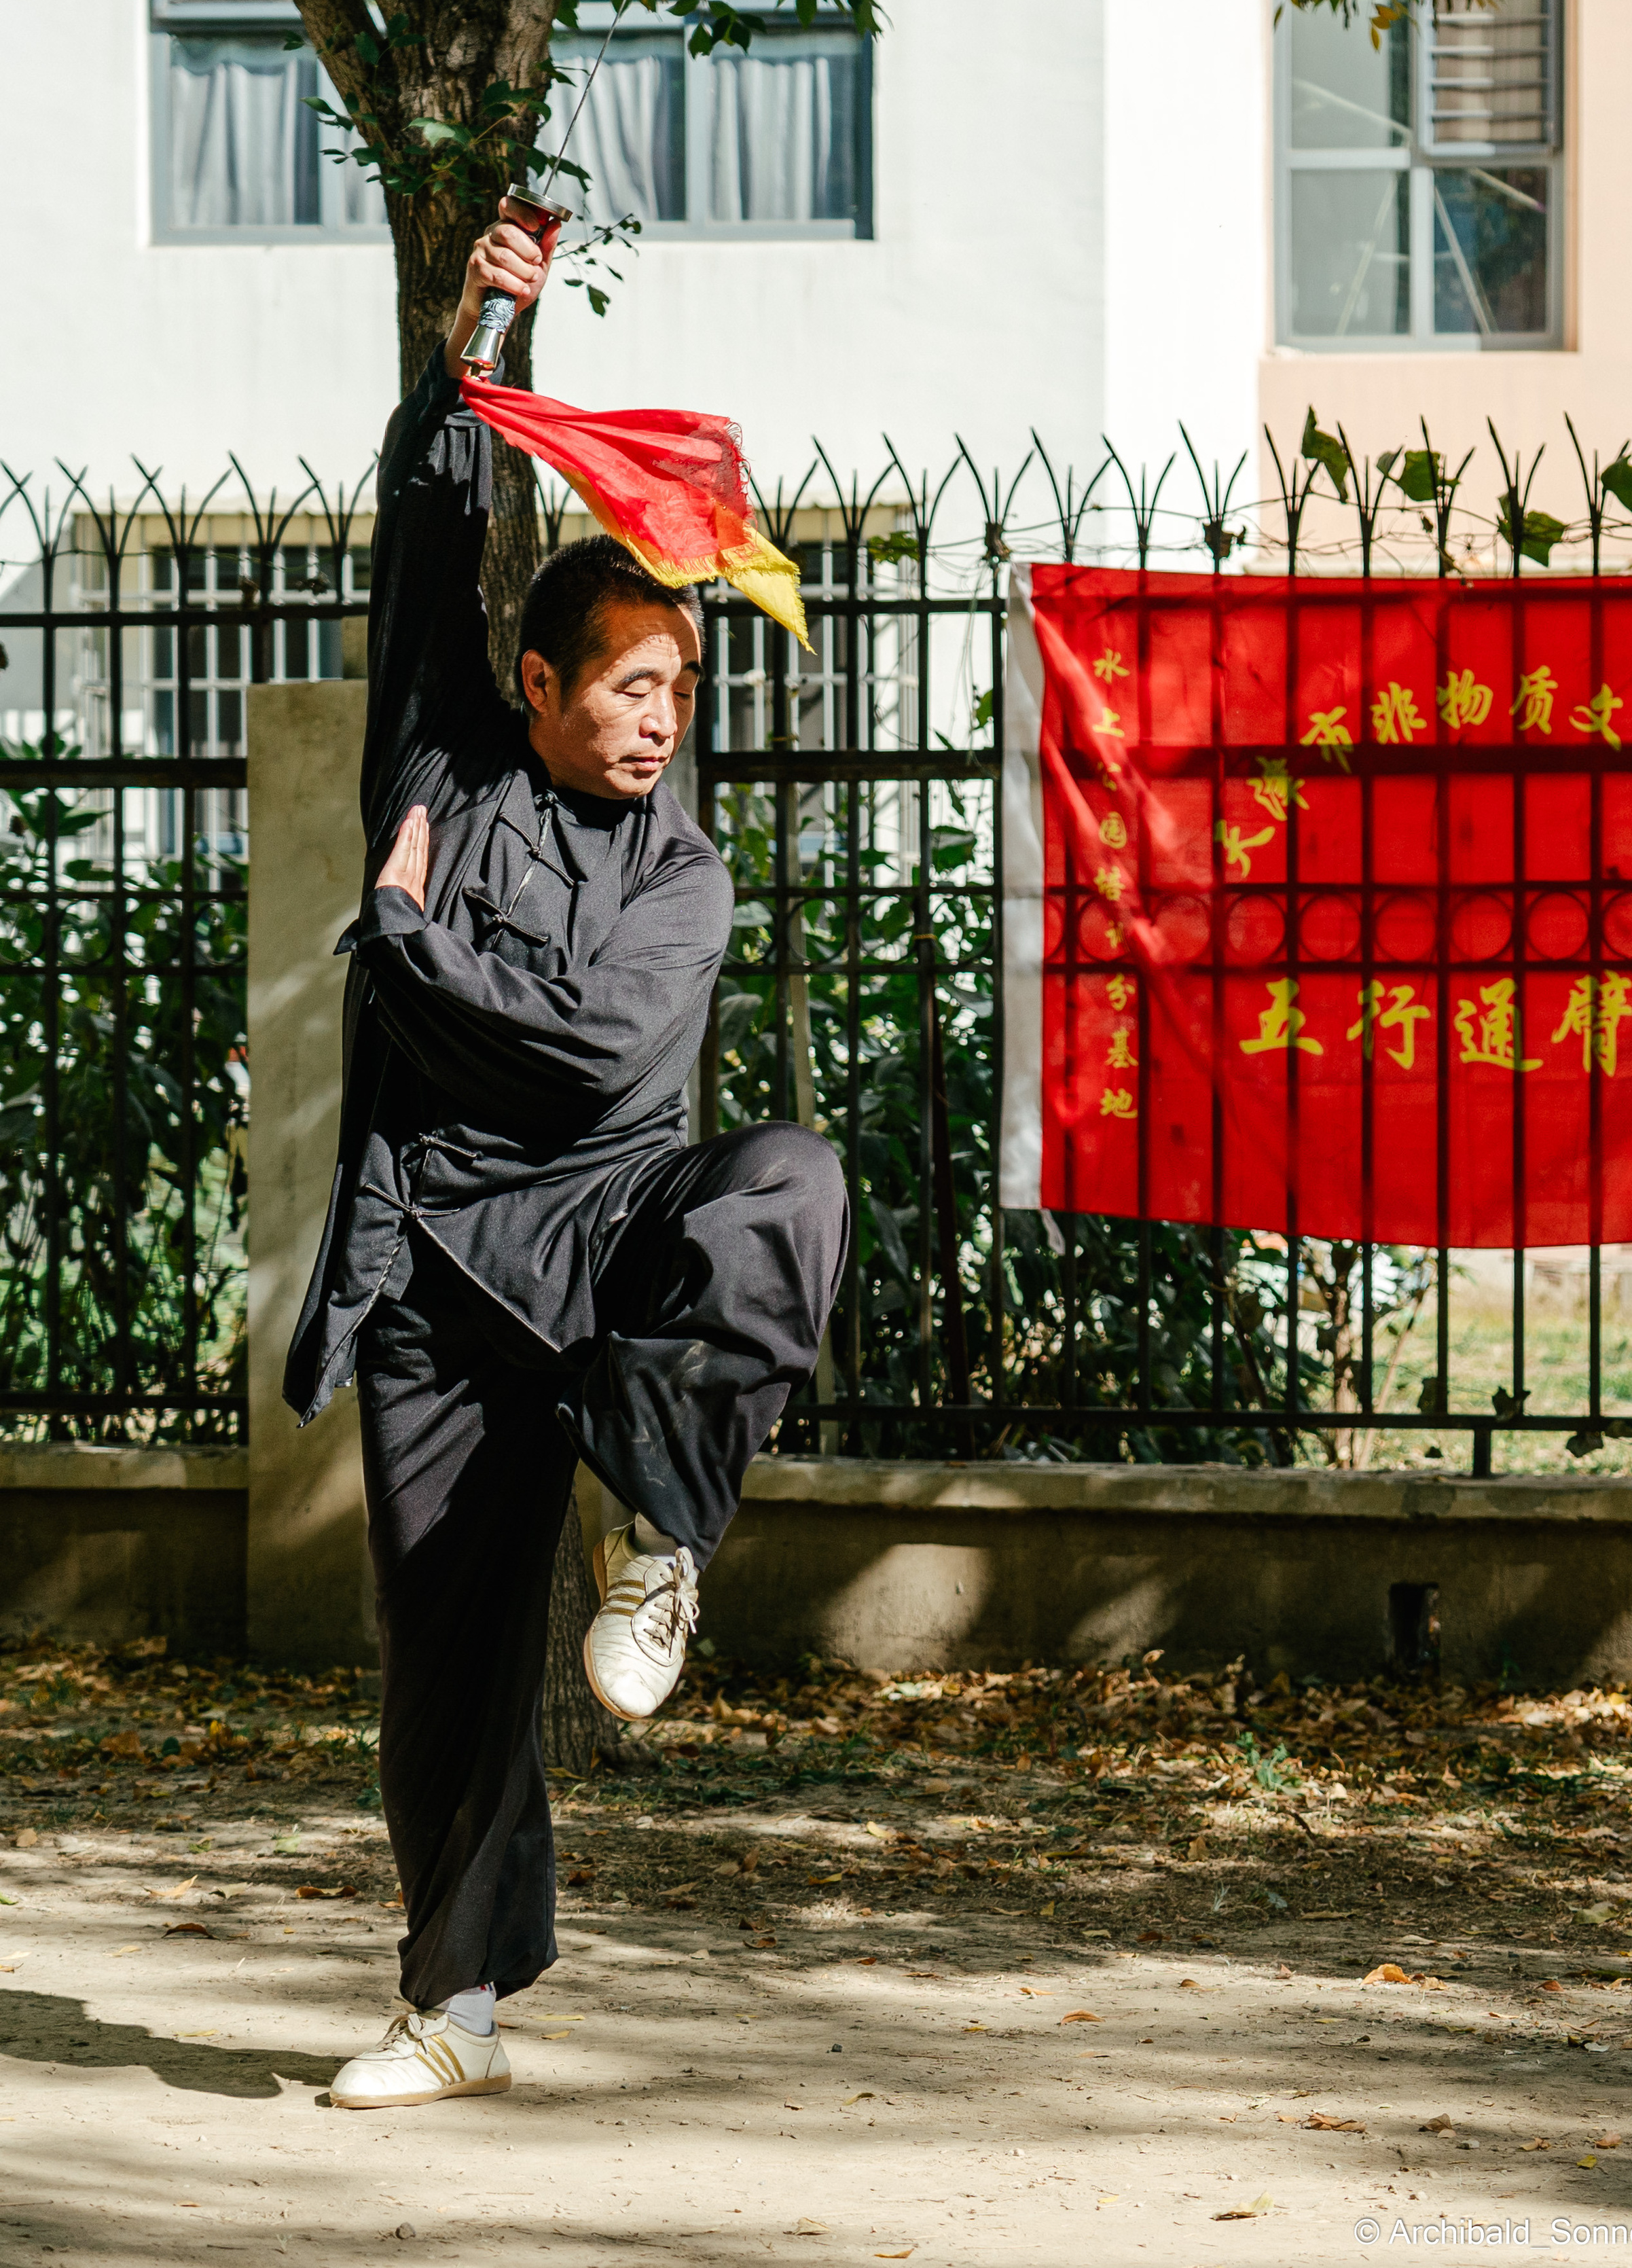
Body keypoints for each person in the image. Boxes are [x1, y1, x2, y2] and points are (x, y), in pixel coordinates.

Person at [282, 200, 849, 2110]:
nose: (662, 721)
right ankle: (453, 2012)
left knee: (791, 1185)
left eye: (681, 692)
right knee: (447, 1661)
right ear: (538, 684)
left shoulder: (684, 875)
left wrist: (408, 942)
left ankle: (660, 1524)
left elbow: (596, 1052)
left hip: (609, 1245)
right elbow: (424, 534)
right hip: (437, 1278)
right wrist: (480, 342)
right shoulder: (441, 763)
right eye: (629, 686)